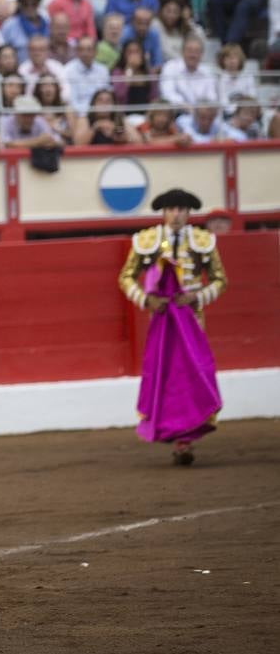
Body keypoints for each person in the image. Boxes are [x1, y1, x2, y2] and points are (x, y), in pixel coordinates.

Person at [118, 188, 227, 466]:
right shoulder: (148, 241)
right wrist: (146, 299)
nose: (176, 214)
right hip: (163, 320)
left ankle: (185, 439)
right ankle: (176, 435)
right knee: (167, 376)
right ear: (164, 213)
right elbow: (126, 277)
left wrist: (197, 296)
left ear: (189, 213)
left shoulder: (202, 241)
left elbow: (220, 280)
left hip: (192, 319)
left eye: (181, 209)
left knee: (191, 375)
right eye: (171, 209)